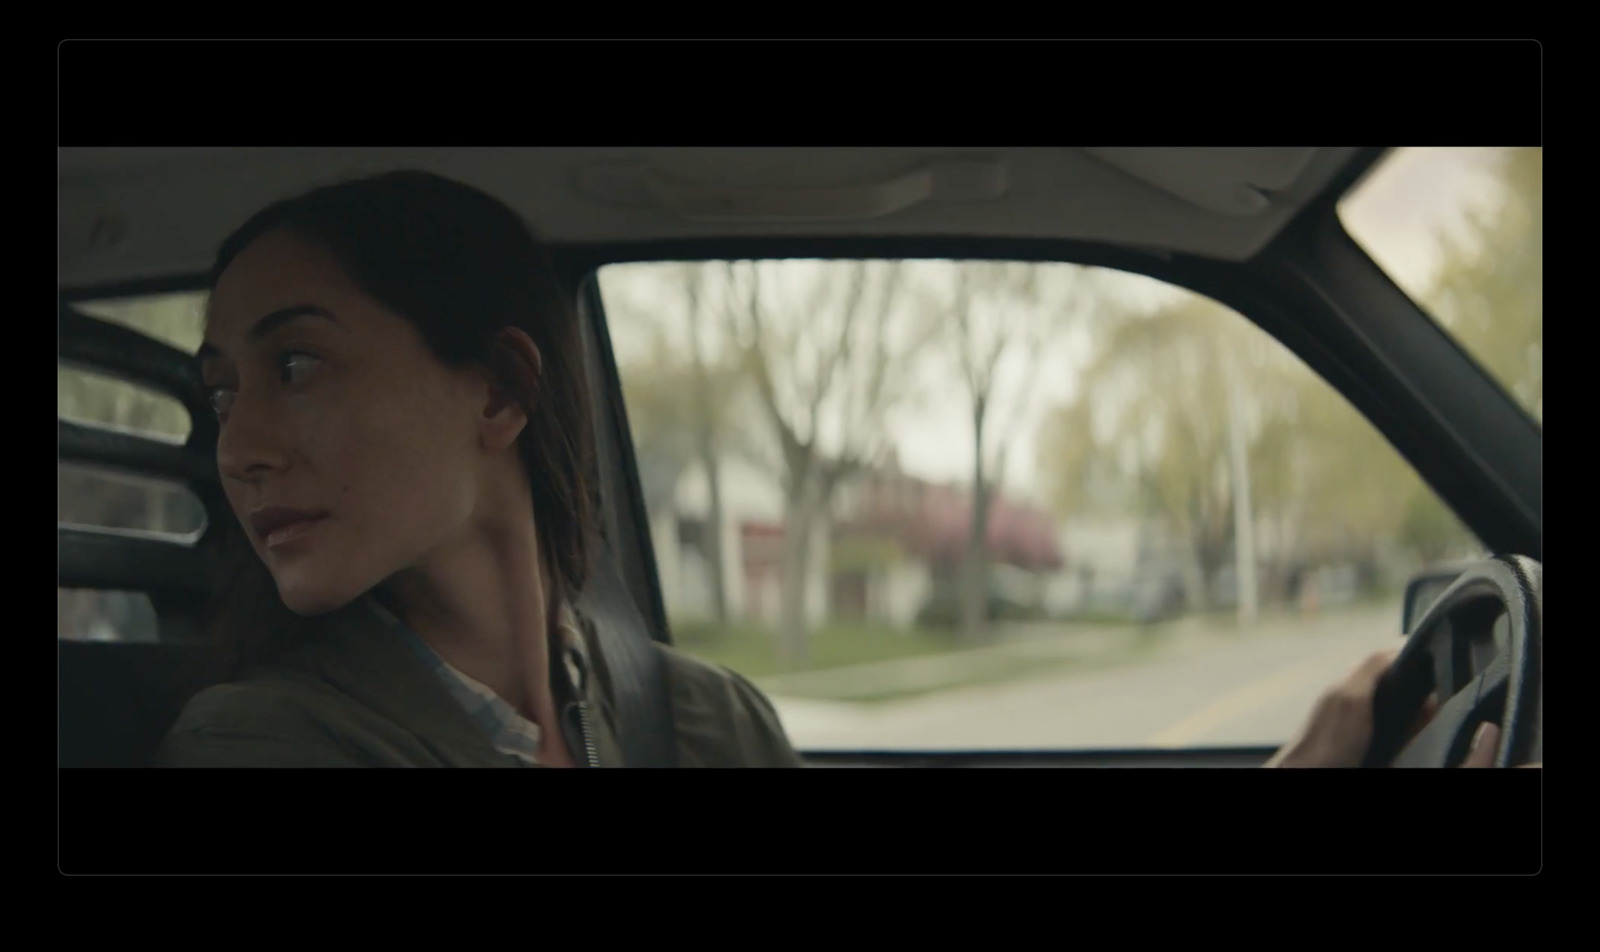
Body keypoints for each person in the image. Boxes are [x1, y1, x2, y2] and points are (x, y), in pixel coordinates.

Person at [155, 171, 1536, 769]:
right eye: (225, 392)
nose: (241, 447)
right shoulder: (261, 747)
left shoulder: (701, 719)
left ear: (502, 391)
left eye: (296, 366)